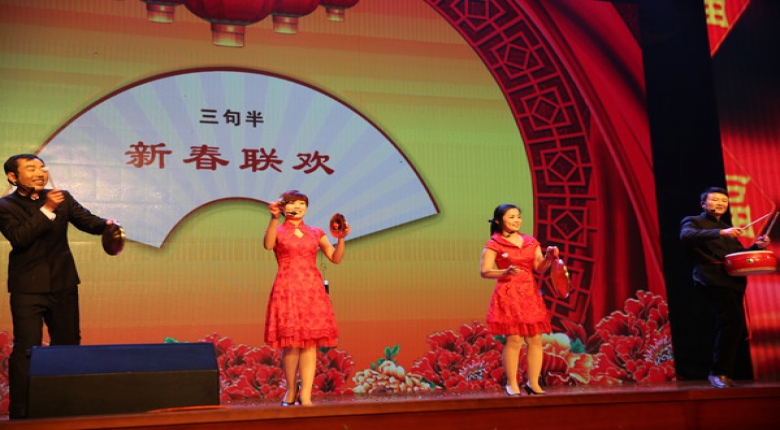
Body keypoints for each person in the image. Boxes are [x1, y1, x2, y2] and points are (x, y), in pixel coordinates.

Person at [0, 154, 118, 419]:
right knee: (27, 349)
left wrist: (107, 225)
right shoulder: (5, 206)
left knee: (67, 345)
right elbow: (20, 238)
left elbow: (88, 221)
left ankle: (65, 407)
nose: (40, 173)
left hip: (63, 283)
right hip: (27, 287)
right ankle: (21, 412)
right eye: (31, 169)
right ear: (13, 177)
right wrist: (47, 209)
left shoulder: (61, 197)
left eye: (42, 168)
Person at [263, 190, 350, 406]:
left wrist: (341, 239)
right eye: (293, 203)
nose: (298, 207)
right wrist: (273, 218)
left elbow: (335, 258)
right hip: (287, 288)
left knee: (310, 344)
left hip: (312, 290)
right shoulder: (278, 230)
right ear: (283, 208)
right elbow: (268, 245)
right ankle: (291, 391)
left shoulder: (316, 232)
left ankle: (306, 395)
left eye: (302, 203)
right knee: (291, 343)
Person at [680, 187, 770, 388]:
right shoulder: (693, 221)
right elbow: (686, 235)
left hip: (732, 281)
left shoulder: (728, 229)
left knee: (733, 325)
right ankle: (718, 372)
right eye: (715, 200)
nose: (720, 203)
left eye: (723, 201)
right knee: (731, 321)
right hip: (711, 278)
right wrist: (721, 232)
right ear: (703, 204)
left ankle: (723, 373)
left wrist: (757, 246)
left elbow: (738, 256)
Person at [480, 203, 558, 396]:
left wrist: (549, 258)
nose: (517, 220)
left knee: (535, 339)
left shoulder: (530, 242)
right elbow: (485, 271)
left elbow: (540, 268)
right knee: (514, 339)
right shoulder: (494, 244)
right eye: (511, 217)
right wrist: (504, 272)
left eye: (518, 216)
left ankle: (533, 383)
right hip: (508, 294)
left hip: (530, 294)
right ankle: (512, 383)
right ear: (499, 221)